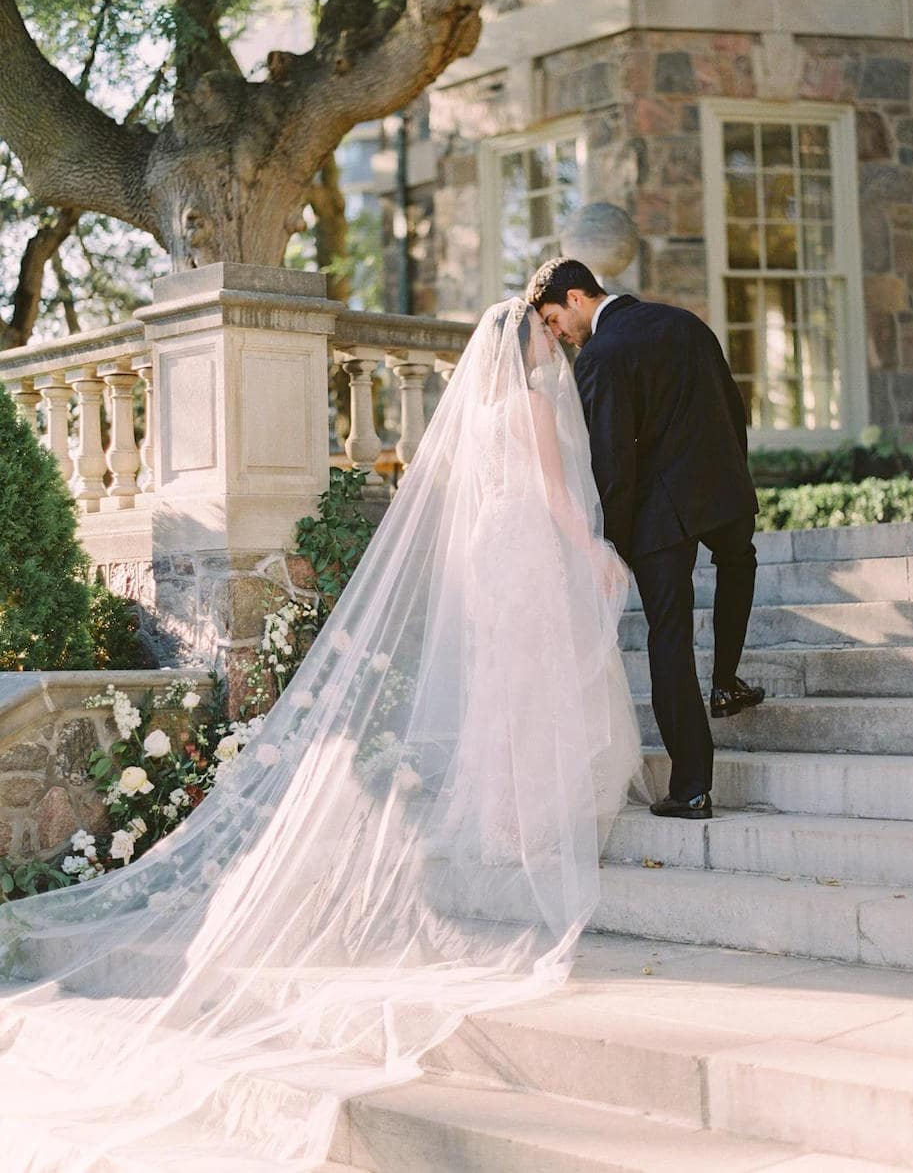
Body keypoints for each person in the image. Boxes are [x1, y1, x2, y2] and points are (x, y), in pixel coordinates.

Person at [0, 299, 640, 1171]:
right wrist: (596, 552)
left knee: (504, 687)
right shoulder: (528, 400)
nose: (548, 346)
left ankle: (503, 815)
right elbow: (561, 497)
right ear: (524, 343)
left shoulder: (482, 409)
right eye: (539, 335)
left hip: (492, 550)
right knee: (530, 685)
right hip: (528, 542)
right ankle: (526, 818)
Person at [527, 255, 763, 822]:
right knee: (740, 561)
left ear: (578, 298)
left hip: (662, 515)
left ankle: (691, 788)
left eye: (556, 319)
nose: (557, 334)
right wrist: (736, 475)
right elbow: (733, 407)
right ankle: (726, 679)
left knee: (669, 639)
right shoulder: (685, 322)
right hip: (724, 487)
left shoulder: (601, 358)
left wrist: (613, 543)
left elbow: (612, 464)